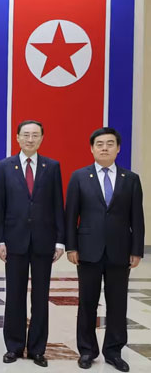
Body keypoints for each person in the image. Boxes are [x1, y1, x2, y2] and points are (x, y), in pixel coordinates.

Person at [65, 127, 144, 372]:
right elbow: (71, 216)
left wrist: (137, 250)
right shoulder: (79, 177)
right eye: (99, 144)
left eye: (110, 144)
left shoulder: (130, 179)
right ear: (91, 148)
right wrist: (71, 247)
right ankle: (87, 350)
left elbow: (137, 218)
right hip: (88, 250)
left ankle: (114, 351)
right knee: (87, 303)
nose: (104, 148)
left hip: (120, 251)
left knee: (117, 303)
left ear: (118, 148)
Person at [0, 120, 65, 367]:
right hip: (14, 241)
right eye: (26, 135)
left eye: (35, 135)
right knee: (14, 295)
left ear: (42, 138)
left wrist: (60, 241)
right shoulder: (4, 167)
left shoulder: (52, 166)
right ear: (17, 137)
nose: (30, 139)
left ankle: (37, 348)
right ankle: (13, 346)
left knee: (40, 296)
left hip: (44, 241)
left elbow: (58, 204)